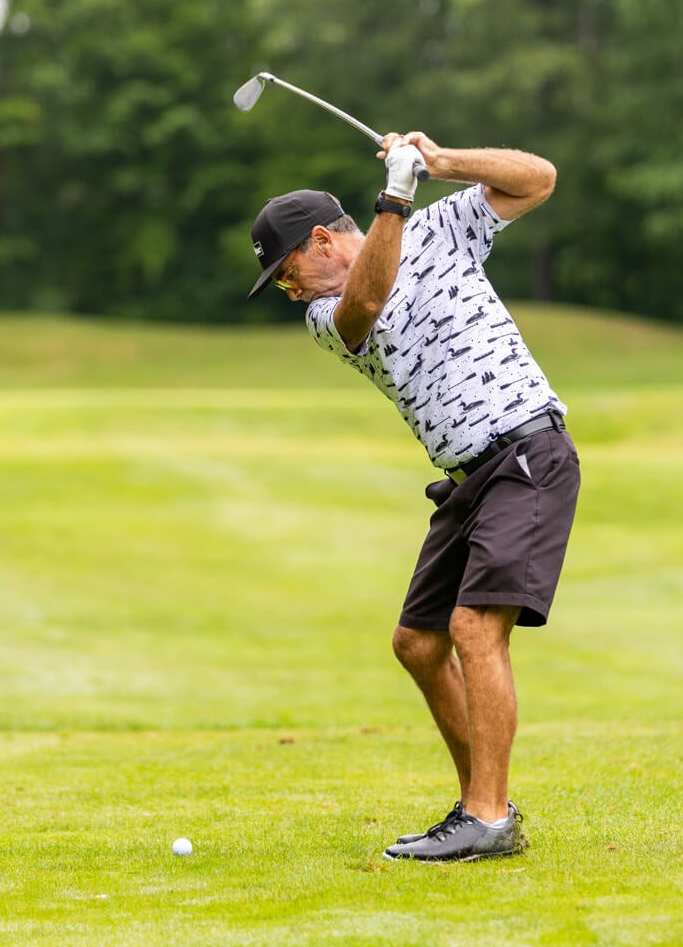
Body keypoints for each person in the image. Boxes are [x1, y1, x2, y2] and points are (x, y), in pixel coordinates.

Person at [245, 132, 579, 862]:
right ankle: (481, 809)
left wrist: (440, 163)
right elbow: (368, 297)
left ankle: (486, 817)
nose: (288, 288)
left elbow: (540, 179)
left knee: (473, 627)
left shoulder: (441, 225)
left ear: (322, 238)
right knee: (418, 642)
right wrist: (395, 195)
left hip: (524, 449)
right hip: (468, 478)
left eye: (285, 270)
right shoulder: (326, 316)